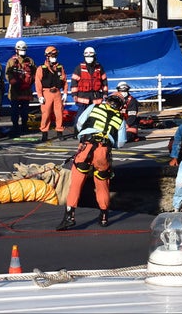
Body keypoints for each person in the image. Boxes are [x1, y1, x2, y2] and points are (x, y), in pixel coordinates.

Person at [56, 93, 128, 231]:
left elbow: (80, 122)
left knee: (76, 183)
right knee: (102, 185)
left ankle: (69, 217)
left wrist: (81, 137)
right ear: (120, 106)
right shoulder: (121, 120)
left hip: (86, 147)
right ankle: (104, 217)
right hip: (103, 152)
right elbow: (121, 142)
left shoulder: (94, 107)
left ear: (108, 101)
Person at [34, 45, 69, 142]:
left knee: (59, 113)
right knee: (46, 114)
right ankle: (44, 133)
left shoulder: (60, 67)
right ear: (47, 57)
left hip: (57, 93)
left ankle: (59, 132)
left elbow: (64, 81)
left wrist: (65, 93)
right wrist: (40, 96)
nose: (54, 58)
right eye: (52, 56)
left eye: (55, 55)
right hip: (46, 93)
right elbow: (38, 83)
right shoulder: (41, 68)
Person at [5, 40, 36, 137]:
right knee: (14, 111)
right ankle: (15, 127)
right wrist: (13, 81)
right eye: (21, 49)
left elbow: (35, 73)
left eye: (24, 49)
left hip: (26, 91)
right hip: (15, 91)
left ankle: (24, 126)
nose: (23, 51)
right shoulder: (11, 61)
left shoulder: (30, 61)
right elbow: (7, 74)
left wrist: (30, 81)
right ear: (16, 50)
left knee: (25, 111)